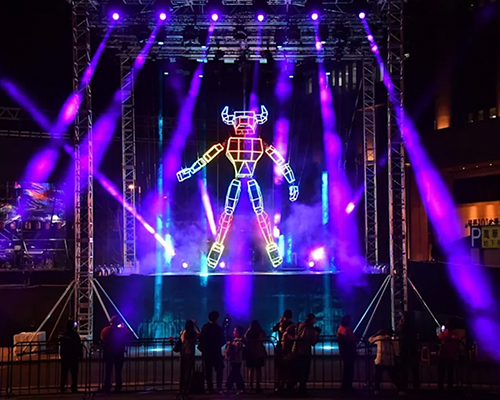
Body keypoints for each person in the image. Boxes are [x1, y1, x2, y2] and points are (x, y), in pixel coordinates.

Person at [291, 314, 320, 395]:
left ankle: (292, 388)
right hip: (304, 352)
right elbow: (312, 342)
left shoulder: (300, 325)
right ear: (312, 320)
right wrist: (317, 334)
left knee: (298, 371)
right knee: (304, 372)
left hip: (297, 351)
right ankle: (302, 390)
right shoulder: (309, 328)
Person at [198, 310, 225, 393]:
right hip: (216, 352)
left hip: (207, 352)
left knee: (208, 371)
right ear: (217, 318)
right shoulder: (218, 329)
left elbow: (201, 339)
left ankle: (210, 387)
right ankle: (219, 386)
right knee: (219, 370)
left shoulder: (205, 327)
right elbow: (222, 340)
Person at [101, 315, 129, 393]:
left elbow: (103, 338)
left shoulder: (106, 330)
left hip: (109, 352)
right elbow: (128, 335)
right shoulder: (121, 331)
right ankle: (118, 387)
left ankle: (107, 386)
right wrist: (124, 327)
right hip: (119, 352)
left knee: (108, 371)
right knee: (118, 371)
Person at [369, 329, 399, 394]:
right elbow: (397, 351)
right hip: (389, 360)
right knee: (393, 376)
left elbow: (370, 339)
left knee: (378, 376)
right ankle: (400, 389)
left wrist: (376, 334)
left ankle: (376, 389)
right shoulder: (393, 340)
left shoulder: (379, 338)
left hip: (380, 359)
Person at [396, 311, 420, 391]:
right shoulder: (413, 325)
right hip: (412, 348)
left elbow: (398, 331)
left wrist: (400, 324)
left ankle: (404, 387)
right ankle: (416, 386)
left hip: (405, 349)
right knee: (414, 369)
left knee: (404, 369)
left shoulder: (404, 325)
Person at [272, 310, 294, 393]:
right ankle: (288, 385)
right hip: (289, 347)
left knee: (280, 368)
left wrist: (280, 322)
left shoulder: (280, 324)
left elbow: (274, 329)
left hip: (280, 347)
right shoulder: (292, 325)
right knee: (288, 367)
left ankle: (279, 385)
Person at [59, 320, 82, 393]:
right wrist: (80, 354)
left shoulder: (63, 335)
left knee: (64, 373)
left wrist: (62, 355)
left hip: (66, 356)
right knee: (74, 373)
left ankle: (62, 387)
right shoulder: (74, 335)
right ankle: (74, 387)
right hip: (73, 356)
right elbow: (78, 345)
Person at [245, 320, 267, 392]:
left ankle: (250, 385)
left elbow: (245, 337)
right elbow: (263, 337)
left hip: (251, 353)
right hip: (259, 352)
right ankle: (258, 384)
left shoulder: (249, 333)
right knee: (258, 369)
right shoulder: (260, 332)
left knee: (251, 369)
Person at [438, 320, 460, 391]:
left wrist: (442, 331)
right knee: (447, 372)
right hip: (448, 355)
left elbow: (440, 336)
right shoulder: (454, 334)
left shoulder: (448, 333)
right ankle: (447, 386)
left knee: (445, 372)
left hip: (446, 355)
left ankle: (443, 386)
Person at [180, 319, 200, 395]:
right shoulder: (193, 333)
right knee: (189, 371)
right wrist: (196, 326)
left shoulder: (184, 332)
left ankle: (182, 387)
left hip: (183, 353)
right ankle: (187, 388)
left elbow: (182, 340)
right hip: (190, 353)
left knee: (183, 370)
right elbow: (199, 334)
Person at [337, 315, 356, 391]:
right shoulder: (346, 330)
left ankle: (346, 385)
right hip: (349, 352)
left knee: (347, 369)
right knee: (349, 369)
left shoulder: (341, 329)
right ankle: (347, 385)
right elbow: (351, 339)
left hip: (345, 352)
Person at [224, 326, 245, 393]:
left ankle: (229, 386)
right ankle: (240, 387)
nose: (233, 332)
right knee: (236, 373)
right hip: (234, 359)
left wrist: (230, 343)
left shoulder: (239, 340)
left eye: (235, 331)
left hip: (237, 359)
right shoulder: (235, 340)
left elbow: (237, 346)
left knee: (233, 373)